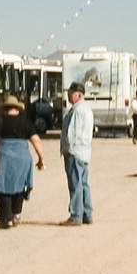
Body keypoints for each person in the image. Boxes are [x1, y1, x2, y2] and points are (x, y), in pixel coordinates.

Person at [0, 94, 45, 229]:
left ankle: (6, 218)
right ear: (17, 108)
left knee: (2, 186)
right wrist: (41, 159)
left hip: (4, 156)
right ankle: (16, 214)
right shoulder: (25, 122)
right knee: (19, 186)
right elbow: (36, 141)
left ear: (4, 108)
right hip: (22, 158)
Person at [60, 82, 93, 225]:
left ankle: (76, 215)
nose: (68, 97)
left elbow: (72, 133)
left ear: (77, 95)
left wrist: (67, 148)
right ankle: (87, 213)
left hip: (75, 151)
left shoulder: (78, 110)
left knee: (75, 183)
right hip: (84, 151)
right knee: (83, 183)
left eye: (70, 94)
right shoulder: (87, 110)